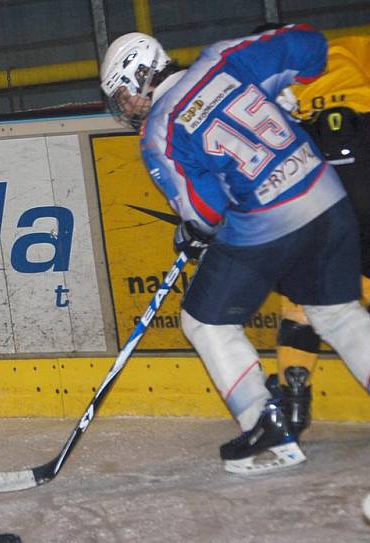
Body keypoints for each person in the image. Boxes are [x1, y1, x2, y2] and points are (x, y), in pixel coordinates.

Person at [100, 26, 370, 474]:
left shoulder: (158, 132)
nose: (126, 108)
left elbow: (206, 211)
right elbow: (311, 46)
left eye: (124, 96)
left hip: (269, 220)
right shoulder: (223, 57)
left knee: (204, 322)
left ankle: (267, 428)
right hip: (327, 196)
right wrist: (289, 89)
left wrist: (192, 232)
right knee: (337, 313)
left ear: (140, 77)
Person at [262, 32, 370, 442]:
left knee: (302, 305)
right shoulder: (346, 47)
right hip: (361, 156)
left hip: (315, 186)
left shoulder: (250, 86)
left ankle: (293, 397)